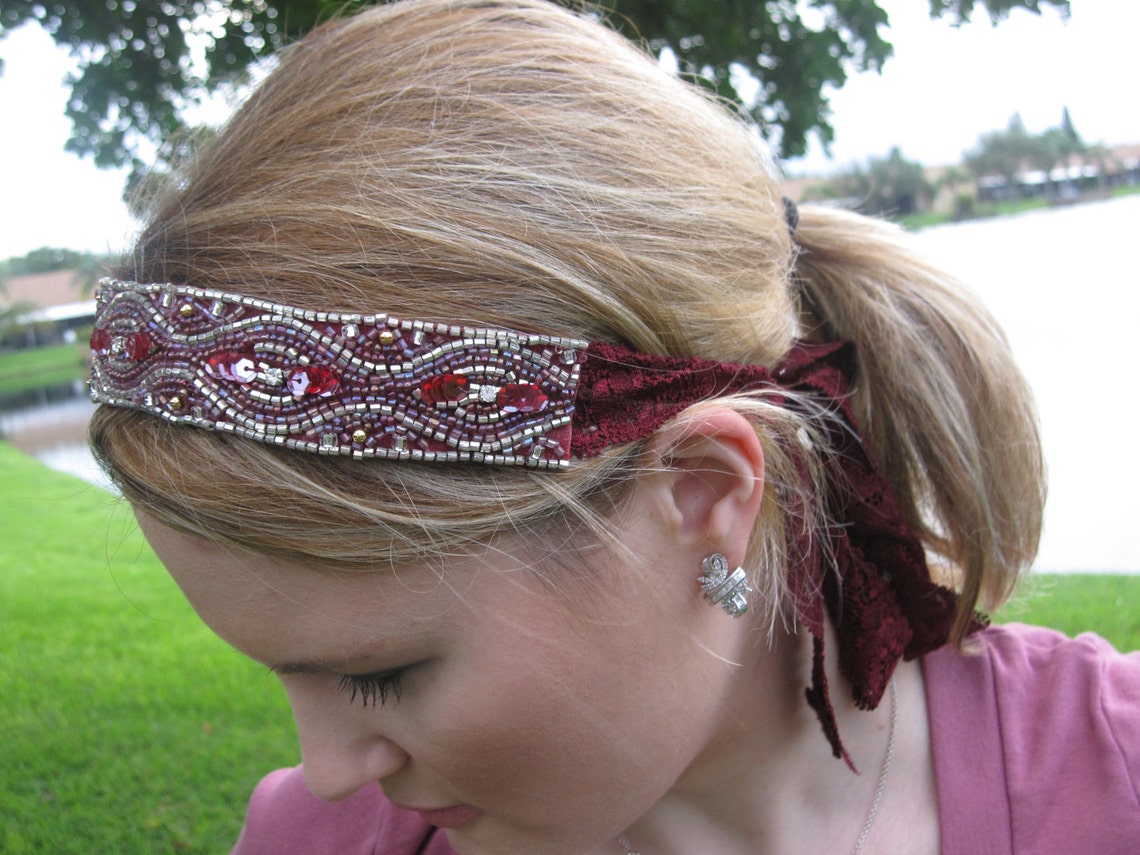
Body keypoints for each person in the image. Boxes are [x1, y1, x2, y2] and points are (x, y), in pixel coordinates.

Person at [87, 1, 1139, 853]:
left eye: (382, 675)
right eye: (282, 672)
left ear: (704, 495)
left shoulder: (1112, 784)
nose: (322, 769)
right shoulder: (307, 842)